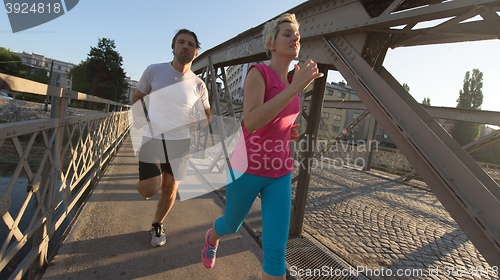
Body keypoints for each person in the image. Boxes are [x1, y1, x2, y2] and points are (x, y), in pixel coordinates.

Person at [201, 13, 323, 279]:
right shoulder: (259, 72)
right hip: (247, 168)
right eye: (287, 34)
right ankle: (212, 237)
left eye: (297, 35)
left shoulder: (293, 82)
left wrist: (287, 130)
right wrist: (295, 89)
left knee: (277, 252)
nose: (295, 38)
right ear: (271, 43)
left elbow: (278, 117)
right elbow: (252, 121)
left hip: (280, 171)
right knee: (231, 225)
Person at [131, 29, 211, 247]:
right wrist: (138, 116)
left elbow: (207, 116)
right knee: (149, 189)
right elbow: (137, 96)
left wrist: (199, 123)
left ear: (196, 51)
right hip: (153, 137)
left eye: (190, 44)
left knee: (170, 187)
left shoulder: (199, 85)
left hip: (181, 142)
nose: (185, 46)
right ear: (173, 47)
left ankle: (157, 224)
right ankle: (142, 184)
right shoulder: (154, 71)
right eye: (181, 42)